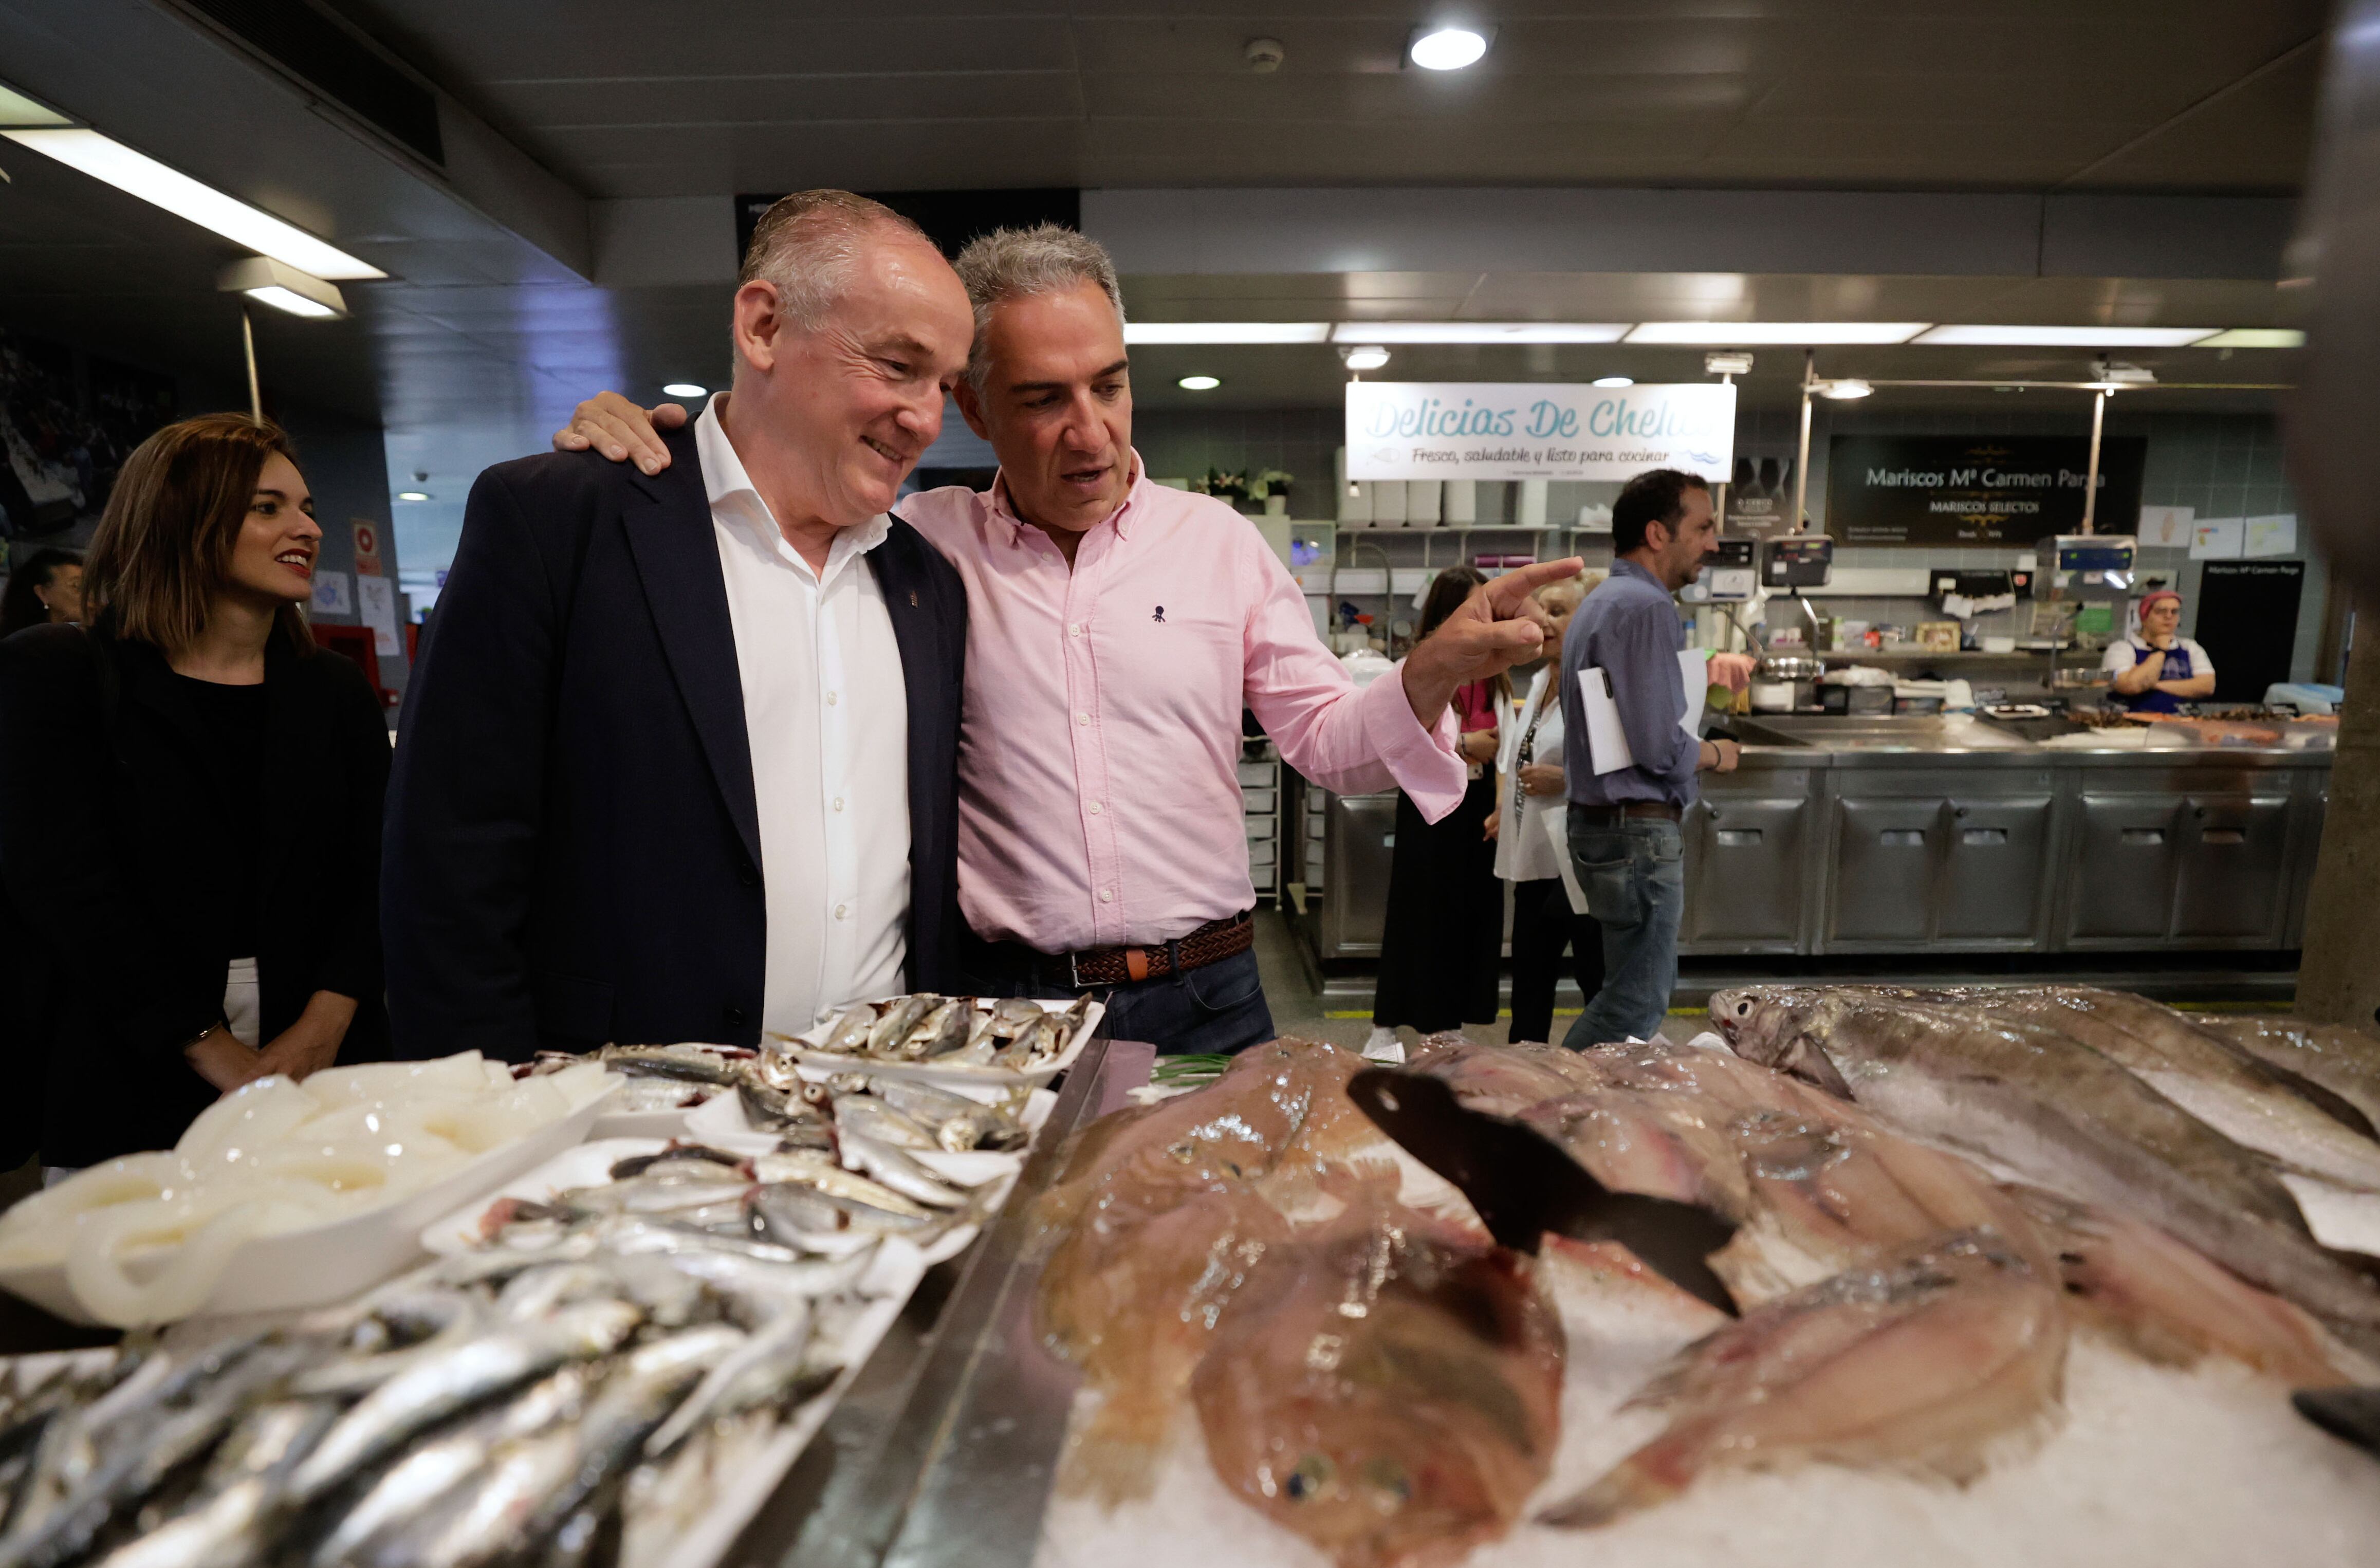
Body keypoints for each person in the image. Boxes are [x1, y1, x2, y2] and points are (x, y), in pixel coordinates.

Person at [555, 225, 1576, 1054]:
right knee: (1023, 1283)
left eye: (1109, 384)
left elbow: (1322, 735)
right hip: (1007, 1011)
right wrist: (657, 452)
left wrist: (1431, 668)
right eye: (1043, 398)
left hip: (1212, 994)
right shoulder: (910, 549)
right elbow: (767, 515)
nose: (1090, 430)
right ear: (972, 407)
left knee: (1217, 1277)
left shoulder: (1217, 546)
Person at [383, 191, 974, 1059]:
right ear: (765, 325)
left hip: (878, 1122)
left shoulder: (926, 585)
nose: (927, 418)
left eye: (944, 386)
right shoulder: (560, 523)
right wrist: (493, 1127)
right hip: (621, 1128)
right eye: (897, 365)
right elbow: (448, 874)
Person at [0, 414, 390, 1171]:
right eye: (266, 507)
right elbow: (65, 886)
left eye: (306, 507)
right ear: (182, 519)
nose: (305, 527)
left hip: (329, 1073)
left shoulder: (334, 692)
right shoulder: (60, 676)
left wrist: (321, 1027)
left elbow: (378, 871)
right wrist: (218, 1054)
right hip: (127, 1067)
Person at [1558, 470, 1742, 1051]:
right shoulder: (1645, 606)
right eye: (1703, 526)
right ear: (1657, 533)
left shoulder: (1602, 600)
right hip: (1635, 831)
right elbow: (1658, 746)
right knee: (1633, 1003)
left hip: (1602, 826)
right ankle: (1550, 1110)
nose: (1713, 542)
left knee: (1621, 990)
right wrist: (1714, 752)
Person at [1365, 565, 1508, 1058]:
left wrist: (1500, 803)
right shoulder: (1425, 666)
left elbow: (1506, 740)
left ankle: (1447, 1022)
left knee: (1469, 914)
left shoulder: (1494, 670)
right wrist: (1469, 743)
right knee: (1417, 910)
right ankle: (1388, 1022)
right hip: (1430, 804)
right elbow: (1402, 736)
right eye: (1472, 607)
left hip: (1479, 805)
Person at [1488, 575, 1603, 1044]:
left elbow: (1628, 769)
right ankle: (1525, 1084)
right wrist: (1508, 808)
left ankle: (1612, 1091)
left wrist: (1567, 780)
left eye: (1558, 611)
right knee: (1530, 987)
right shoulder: (1539, 681)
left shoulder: (1598, 685)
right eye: (1541, 610)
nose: (1542, 621)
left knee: (1598, 984)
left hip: (1581, 864)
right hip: (1535, 858)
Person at [2102, 589, 2216, 713]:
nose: (2169, 616)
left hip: (2182, 724)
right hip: (2131, 726)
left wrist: (2153, 683)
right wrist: (2160, 650)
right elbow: (2129, 686)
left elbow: (2207, 686)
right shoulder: (2121, 649)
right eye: (2161, 611)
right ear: (2144, 617)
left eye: (2175, 612)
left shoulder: (2190, 648)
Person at [0, 548, 84, 637]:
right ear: (43, 593)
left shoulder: (89, 641)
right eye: (77, 586)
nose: (90, 595)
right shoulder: (21, 646)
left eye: (90, 587)